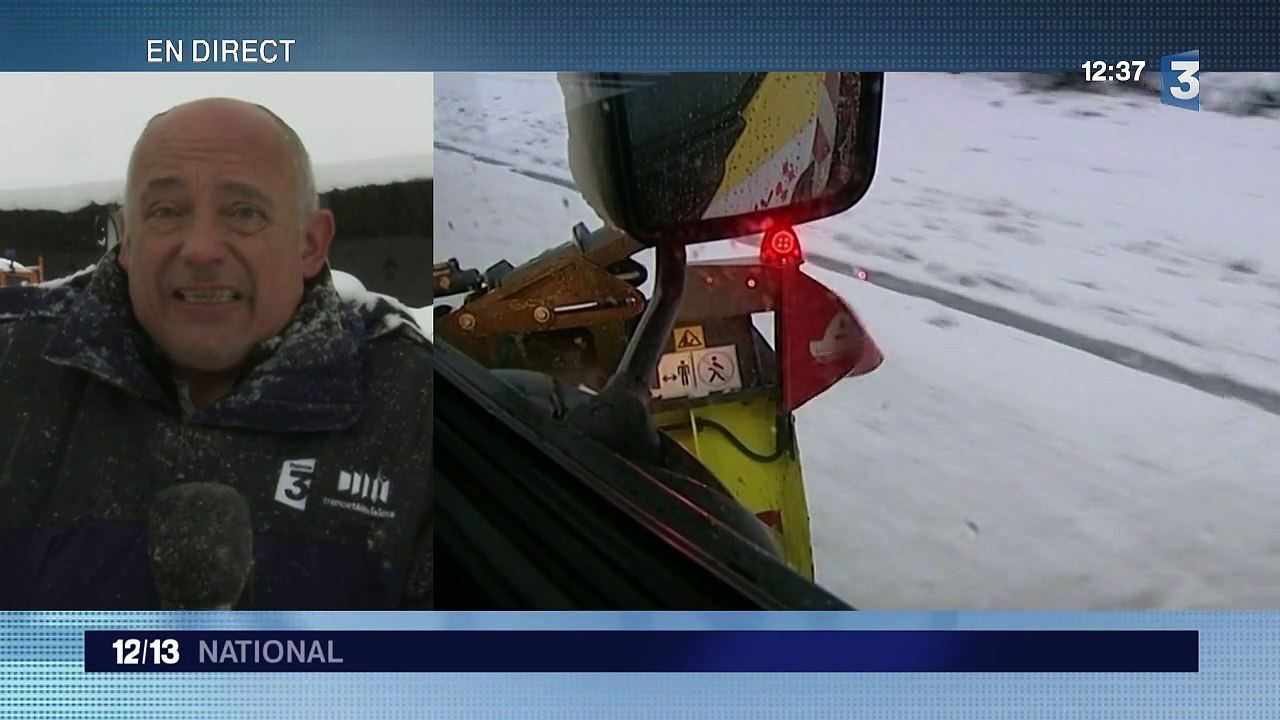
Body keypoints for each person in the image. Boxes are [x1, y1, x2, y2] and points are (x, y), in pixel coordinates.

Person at [0, 97, 432, 609]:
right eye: (166, 211)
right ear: (129, 240)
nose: (201, 248)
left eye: (244, 212)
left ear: (310, 245)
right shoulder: (15, 365)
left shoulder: (413, 411)